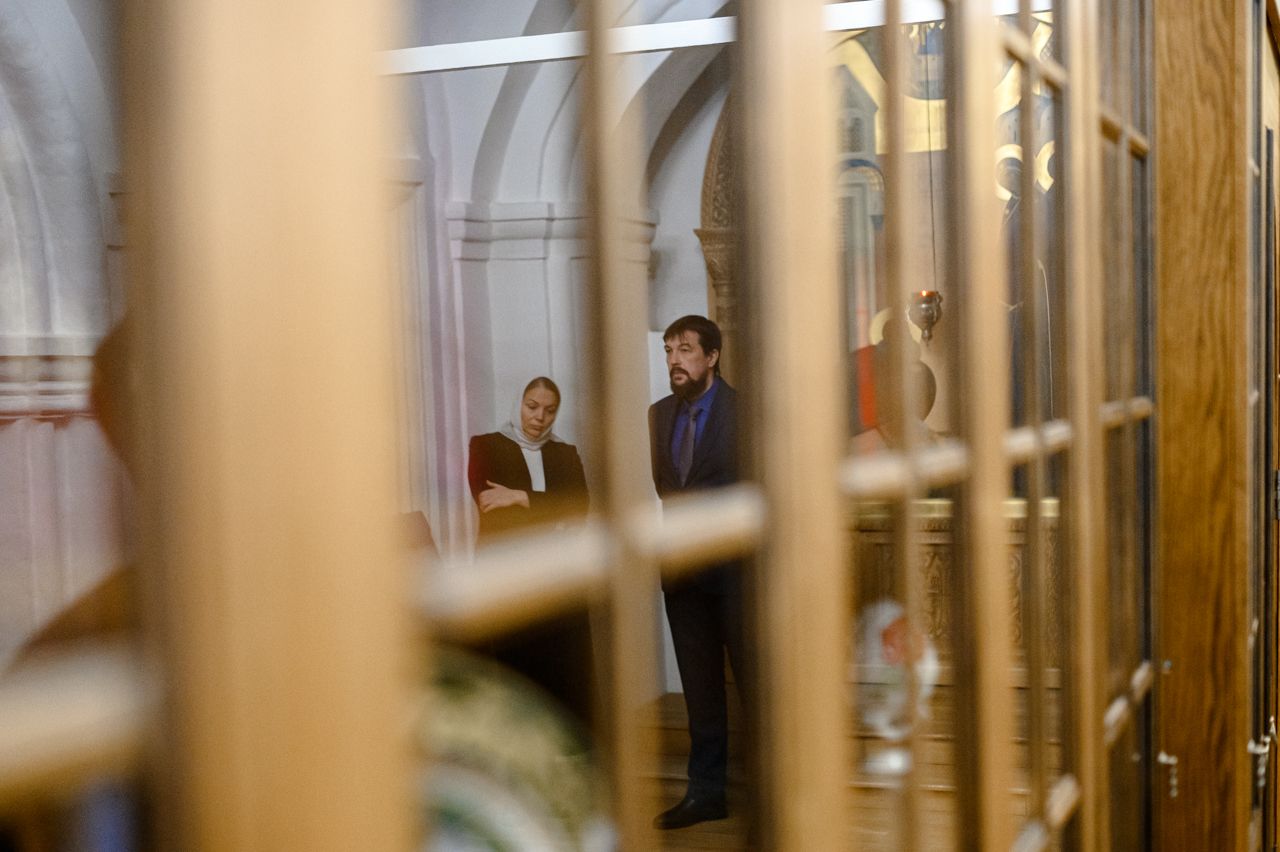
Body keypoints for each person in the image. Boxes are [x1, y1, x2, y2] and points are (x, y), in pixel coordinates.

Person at [648, 315, 747, 830]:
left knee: (758, 686)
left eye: (685, 350)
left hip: (739, 575)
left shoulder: (745, 411)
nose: (674, 360)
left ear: (712, 357)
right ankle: (706, 795)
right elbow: (669, 490)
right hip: (684, 576)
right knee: (700, 692)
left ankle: (780, 793)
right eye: (669, 350)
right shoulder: (658, 414)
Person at [467, 376, 594, 724]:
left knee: (561, 677)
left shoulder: (565, 453)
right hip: (508, 578)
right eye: (532, 406)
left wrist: (518, 496)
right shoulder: (485, 446)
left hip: (558, 578)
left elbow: (579, 508)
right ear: (518, 404)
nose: (540, 417)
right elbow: (490, 505)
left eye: (550, 410)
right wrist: (550, 509)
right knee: (514, 677)